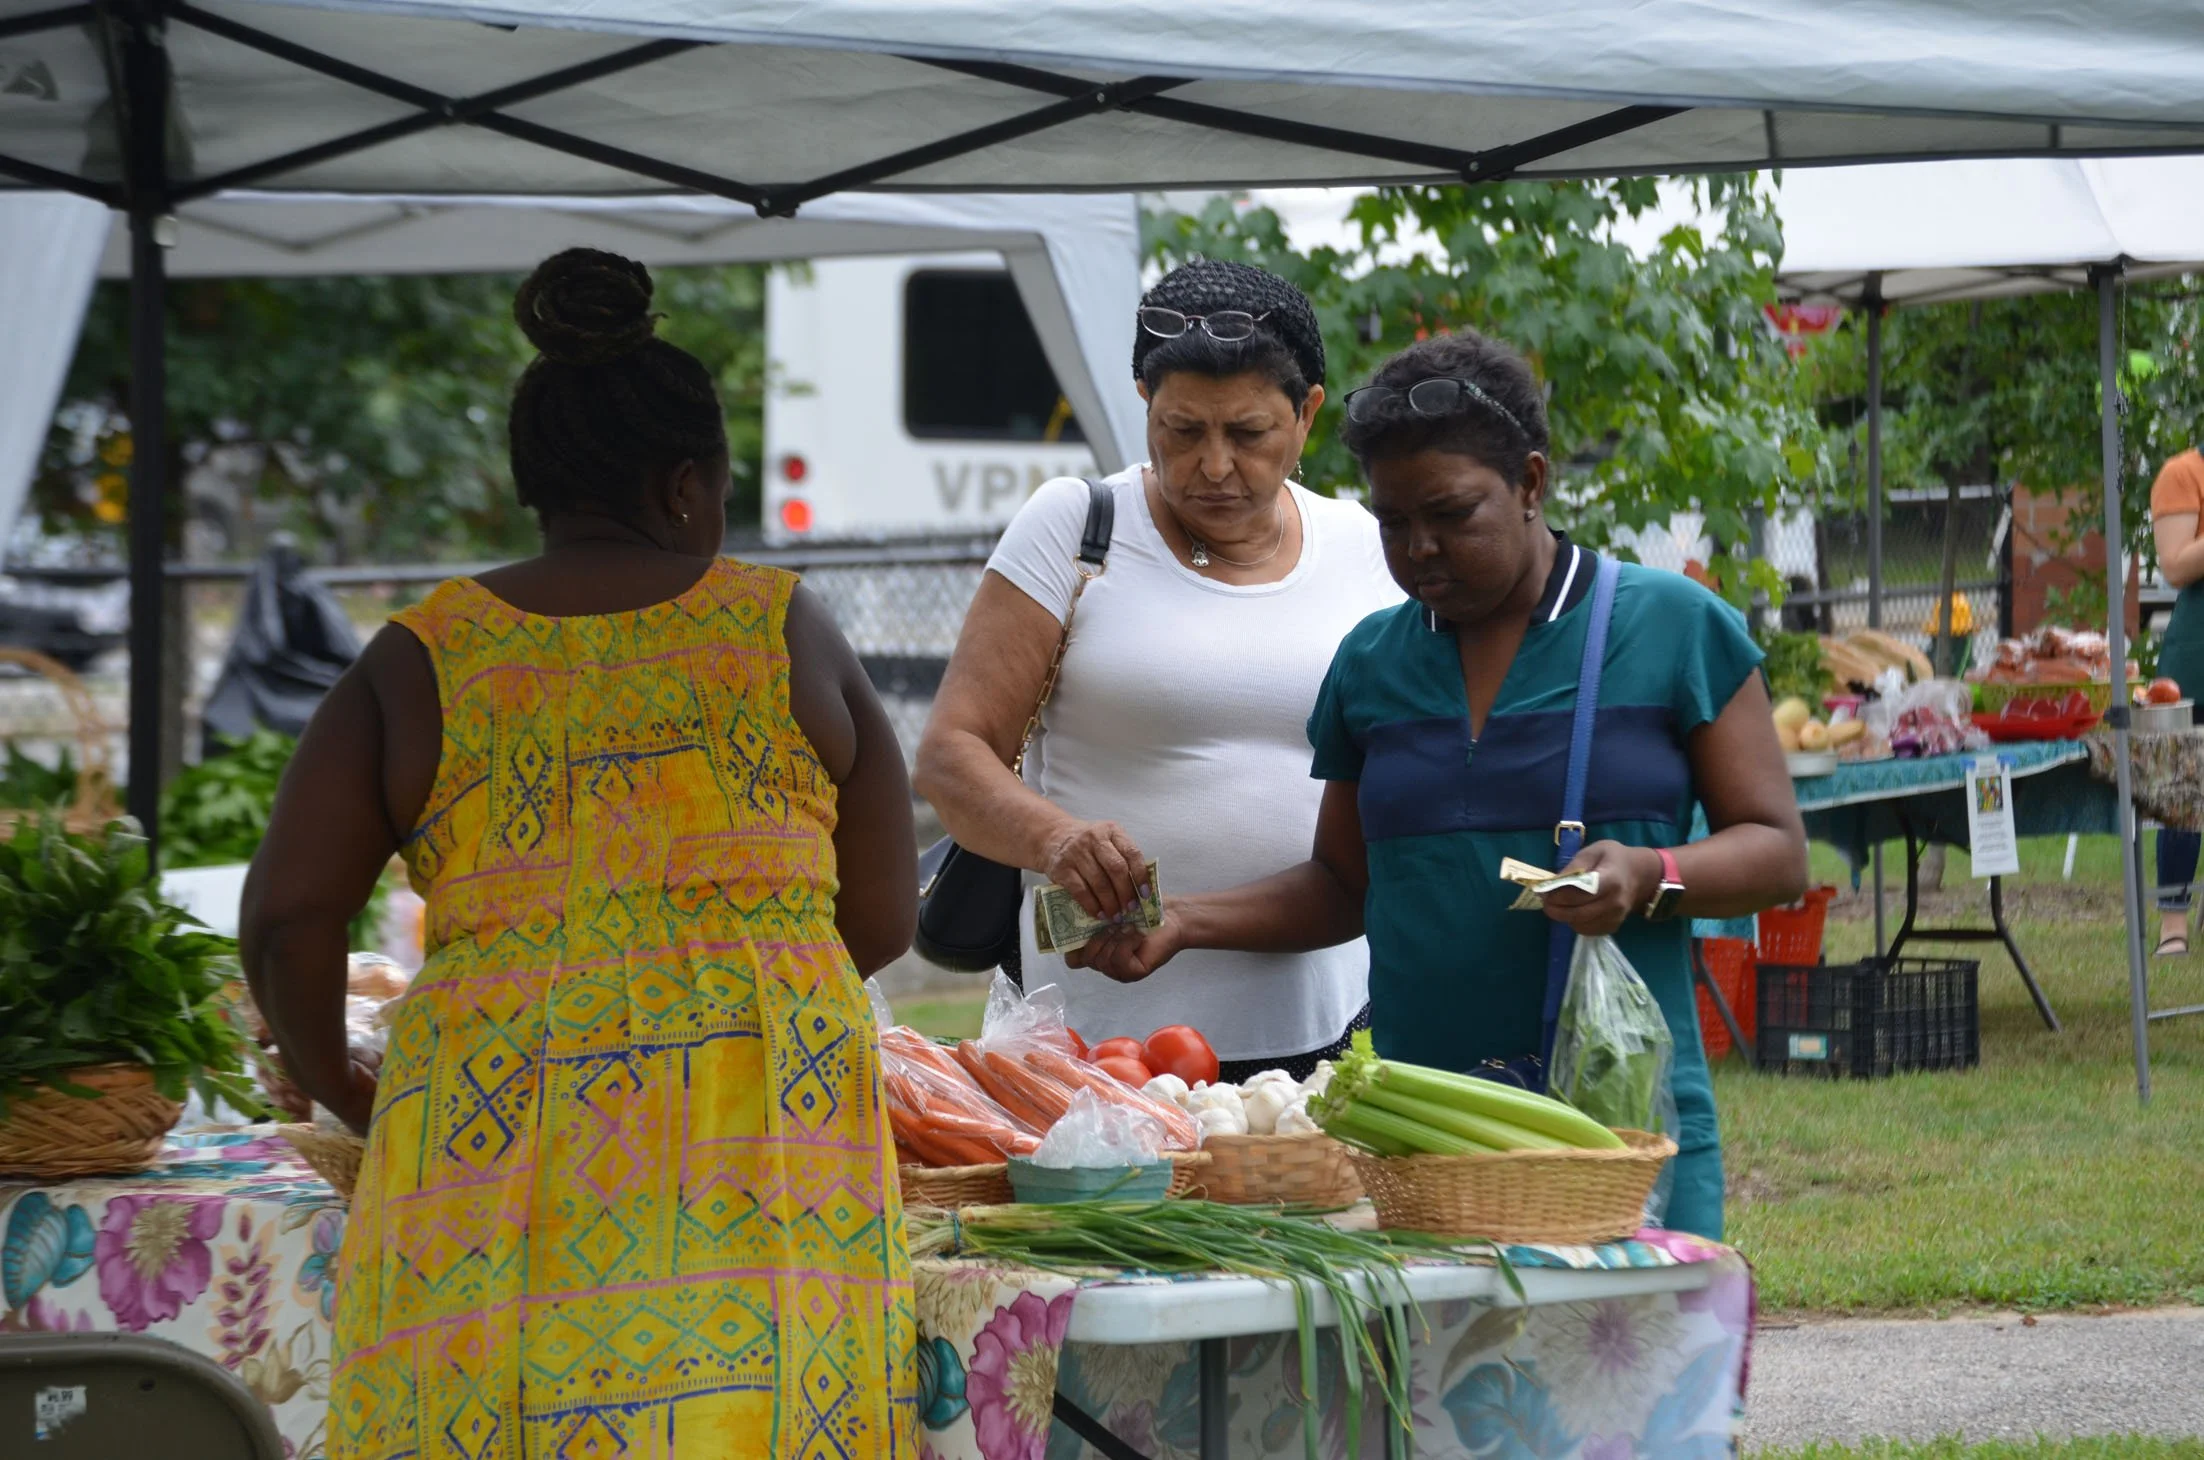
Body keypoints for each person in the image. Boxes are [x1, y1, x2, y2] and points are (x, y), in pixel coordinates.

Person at [240, 249, 920, 1458]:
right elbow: (877, 917)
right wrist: (738, 962)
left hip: (489, 1125)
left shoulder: (421, 655)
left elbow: (291, 916)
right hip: (762, 1130)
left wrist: (346, 1086)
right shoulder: (782, 624)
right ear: (682, 486)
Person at [1077, 330, 1808, 1240]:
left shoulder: (1670, 628)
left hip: (1616, 1131)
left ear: (1532, 483)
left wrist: (1650, 873)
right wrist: (1184, 923)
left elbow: (1778, 852)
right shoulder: (1374, 663)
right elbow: (1346, 886)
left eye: (1452, 514)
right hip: (1419, 1143)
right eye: (1391, 522)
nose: (1419, 548)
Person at [914, 259, 1402, 1081]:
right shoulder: (1078, 527)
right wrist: (1055, 837)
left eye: (1249, 434)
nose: (1214, 466)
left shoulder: (1363, 546)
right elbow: (952, 755)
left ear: (1308, 412)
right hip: (1103, 1040)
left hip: (1328, 1016)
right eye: (1182, 430)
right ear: (1145, 403)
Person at [2148, 444, 2204, 956]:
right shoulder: (2183, 473)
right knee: (2185, 796)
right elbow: (2176, 565)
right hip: (2197, 663)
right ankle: (2173, 926)